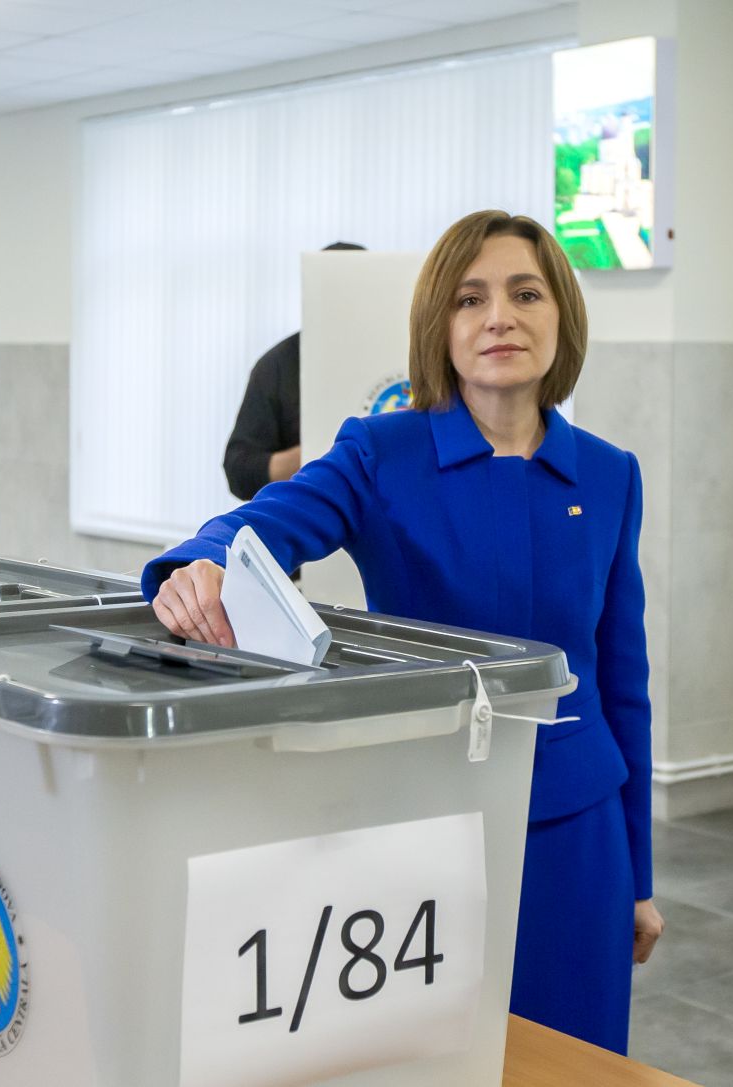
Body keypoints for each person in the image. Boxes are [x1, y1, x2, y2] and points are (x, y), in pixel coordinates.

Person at [143, 210, 664, 1055]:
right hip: (429, 818)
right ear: (440, 329)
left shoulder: (609, 473)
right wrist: (195, 567)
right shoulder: (382, 454)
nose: (501, 315)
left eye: (525, 292)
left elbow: (625, 685)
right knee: (424, 1059)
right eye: (471, 298)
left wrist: (638, 875)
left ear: (560, 313)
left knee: (576, 1058)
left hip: (577, 833)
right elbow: (260, 525)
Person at [222, 241, 366, 501]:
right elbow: (239, 470)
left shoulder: (409, 354)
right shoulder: (278, 365)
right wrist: (317, 453)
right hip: (310, 520)